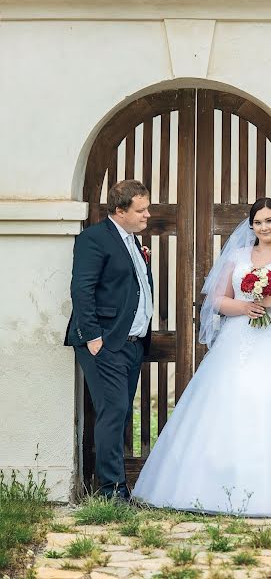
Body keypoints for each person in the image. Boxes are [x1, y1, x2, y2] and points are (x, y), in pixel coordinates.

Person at [132, 197, 271, 517]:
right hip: (238, 339)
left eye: (269, 221)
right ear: (251, 225)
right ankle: (214, 487)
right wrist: (245, 307)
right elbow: (217, 299)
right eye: (258, 222)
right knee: (229, 402)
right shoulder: (240, 255)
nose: (264, 227)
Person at [64, 180, 153, 500]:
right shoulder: (94, 239)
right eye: (140, 210)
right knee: (113, 411)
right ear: (120, 211)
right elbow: (82, 289)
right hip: (103, 342)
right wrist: (93, 338)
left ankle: (116, 489)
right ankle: (111, 492)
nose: (147, 216)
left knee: (119, 412)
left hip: (131, 343)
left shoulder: (132, 240)